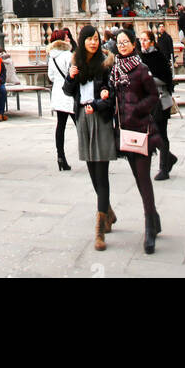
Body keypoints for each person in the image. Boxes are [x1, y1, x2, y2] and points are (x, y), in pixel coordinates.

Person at [63, 26, 116, 250]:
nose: (94, 43)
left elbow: (112, 92)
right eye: (89, 39)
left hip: (100, 118)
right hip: (82, 119)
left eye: (96, 39)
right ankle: (108, 211)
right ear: (82, 41)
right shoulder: (77, 63)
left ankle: (99, 229)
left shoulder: (106, 64)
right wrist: (71, 77)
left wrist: (103, 96)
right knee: (92, 171)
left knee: (101, 173)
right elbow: (67, 91)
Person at [109, 29, 162, 254]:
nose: (121, 46)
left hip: (141, 130)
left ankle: (149, 225)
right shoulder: (114, 69)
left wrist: (136, 110)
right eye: (118, 43)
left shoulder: (141, 69)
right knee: (137, 177)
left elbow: (153, 97)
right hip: (124, 131)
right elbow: (111, 93)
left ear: (133, 44)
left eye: (125, 42)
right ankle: (154, 217)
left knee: (143, 178)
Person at [139, 30, 178, 180]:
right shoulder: (141, 57)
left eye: (145, 40)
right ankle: (169, 157)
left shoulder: (158, 57)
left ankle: (164, 168)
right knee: (152, 134)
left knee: (161, 134)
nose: (142, 42)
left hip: (161, 101)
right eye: (141, 40)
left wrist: (147, 79)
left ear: (152, 42)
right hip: (148, 102)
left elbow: (166, 78)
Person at [47, 31, 76, 171]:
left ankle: (61, 157)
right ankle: (89, 154)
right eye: (67, 37)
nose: (69, 39)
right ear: (62, 41)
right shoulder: (68, 55)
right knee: (80, 124)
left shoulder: (52, 56)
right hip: (70, 93)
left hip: (58, 92)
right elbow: (74, 74)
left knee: (61, 126)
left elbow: (51, 77)